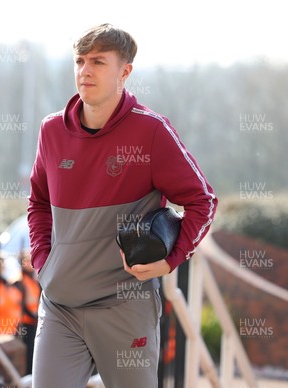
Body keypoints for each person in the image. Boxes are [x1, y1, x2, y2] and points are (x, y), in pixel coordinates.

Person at [27, 23, 217, 387]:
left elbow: (202, 201)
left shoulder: (151, 132)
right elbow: (38, 201)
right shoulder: (51, 130)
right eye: (80, 61)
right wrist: (43, 262)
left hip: (123, 305)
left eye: (98, 61)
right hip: (60, 306)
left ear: (125, 71)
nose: (85, 70)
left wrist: (171, 260)